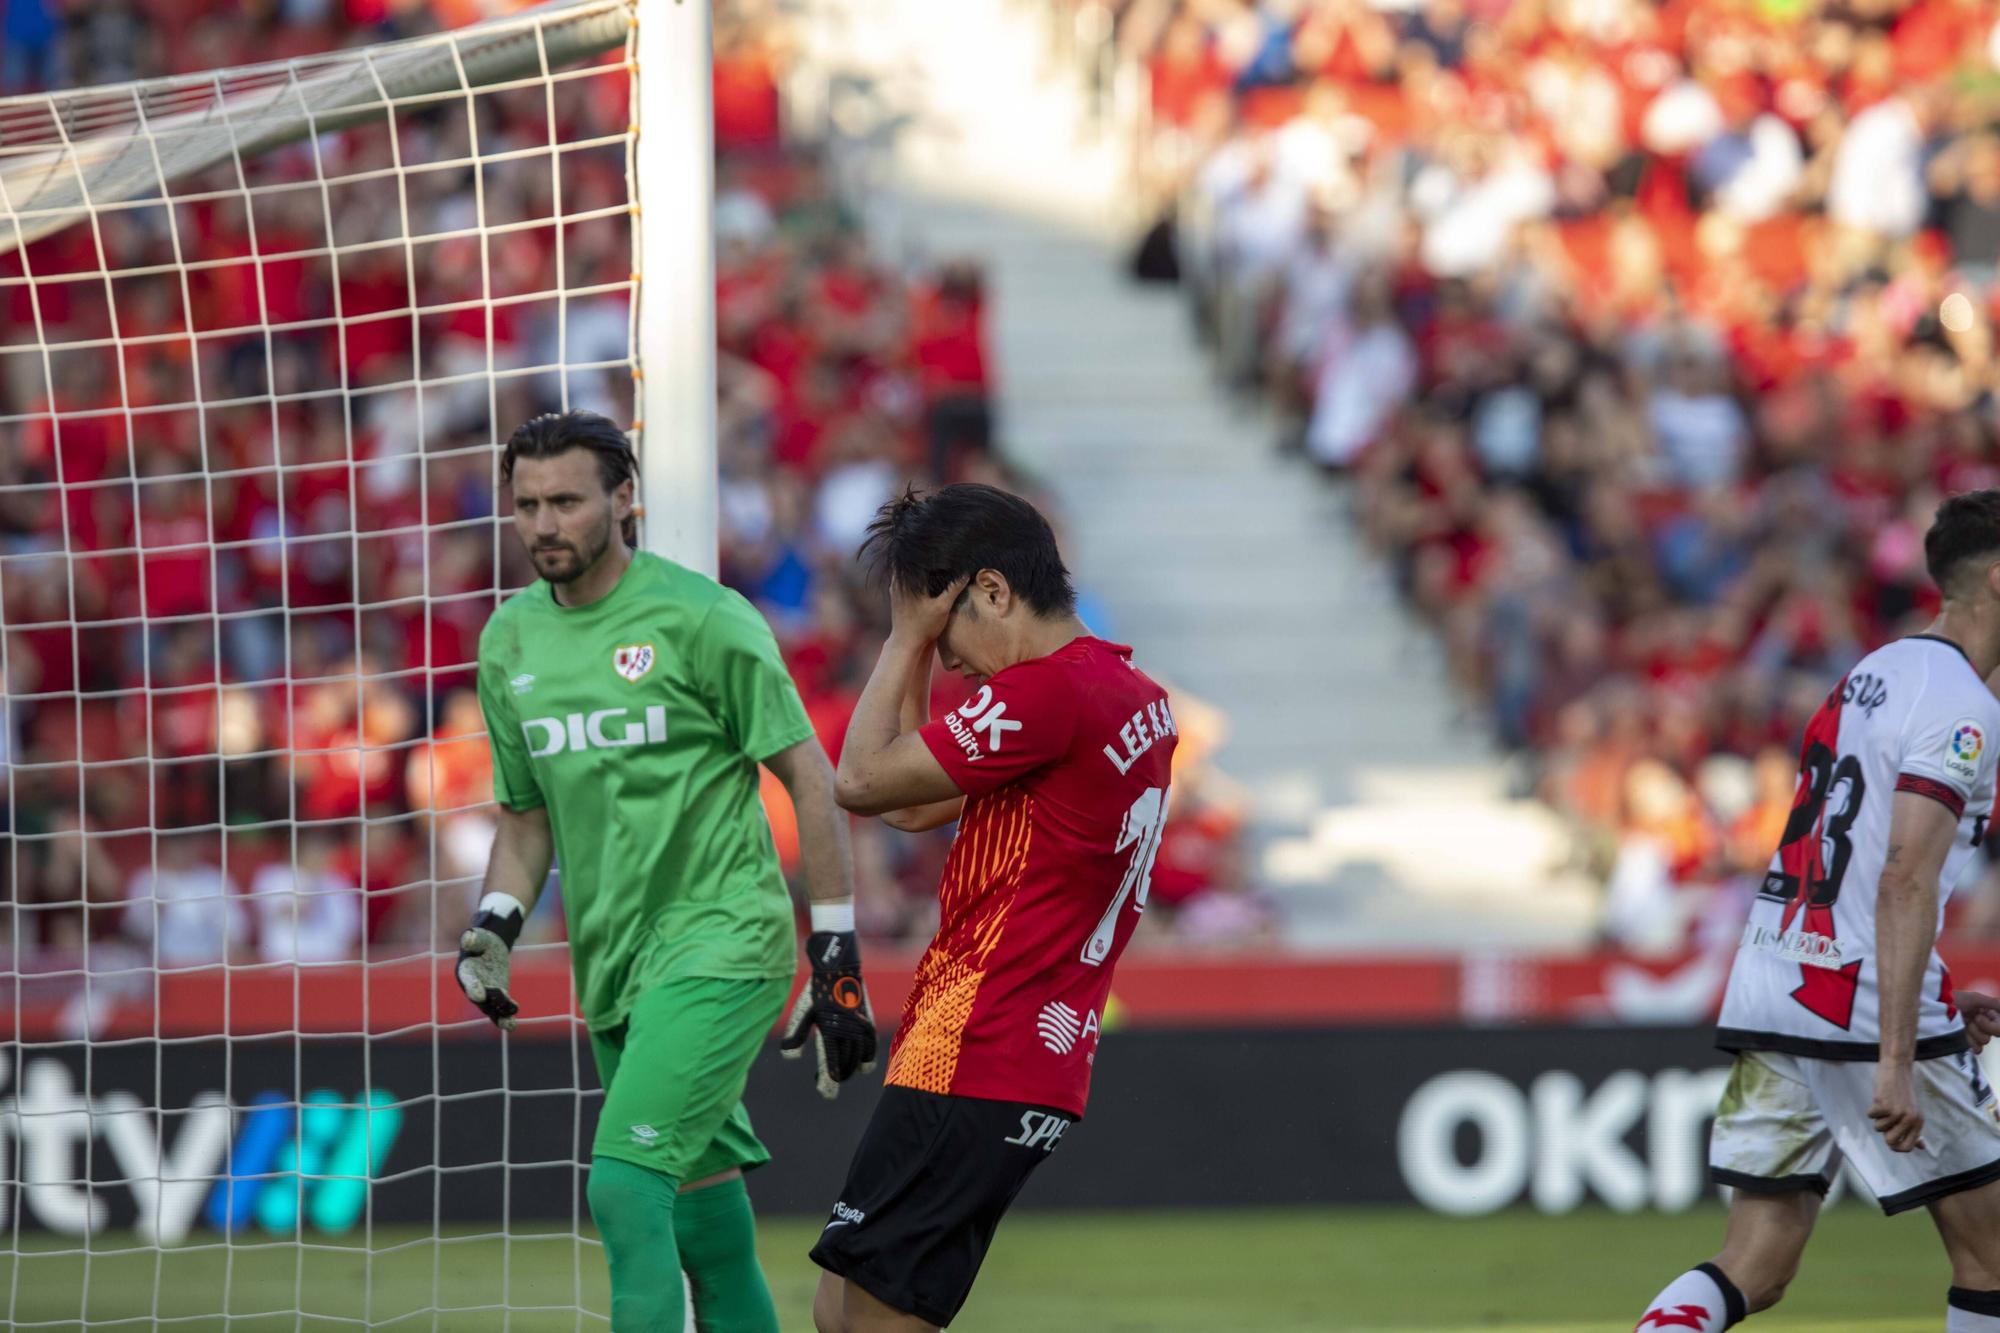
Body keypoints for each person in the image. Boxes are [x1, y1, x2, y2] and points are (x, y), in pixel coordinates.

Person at [452, 410, 877, 1333]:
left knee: (623, 1185)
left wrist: (833, 947)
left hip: (723, 936)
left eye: (566, 500)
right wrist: (494, 922)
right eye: (526, 504)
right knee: (705, 1224)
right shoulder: (509, 643)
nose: (543, 524)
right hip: (612, 961)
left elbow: (811, 776)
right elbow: (527, 820)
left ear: (624, 498)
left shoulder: (703, 618)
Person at [810, 483, 1179, 1333]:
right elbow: (908, 802)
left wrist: (902, 635)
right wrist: (923, 641)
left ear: (994, 591)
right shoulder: (1130, 697)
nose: (946, 663)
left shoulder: (1050, 696)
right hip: (1025, 1053)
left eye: (948, 634)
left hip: (978, 1040)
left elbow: (861, 781)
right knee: (841, 1309)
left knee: (870, 1324)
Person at [1634, 490, 2000, 1332]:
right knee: (1993, 1256)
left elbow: (1859, 858)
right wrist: (1900, 1056)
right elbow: (1902, 876)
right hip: (1857, 998)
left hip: (1776, 975)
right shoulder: (1963, 709)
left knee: (1754, 1262)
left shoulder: (1872, 673)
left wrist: (1938, 992)